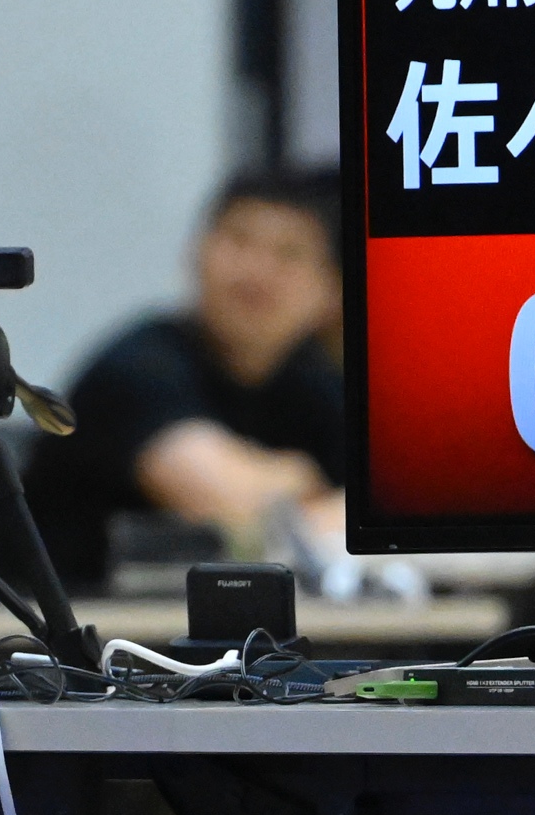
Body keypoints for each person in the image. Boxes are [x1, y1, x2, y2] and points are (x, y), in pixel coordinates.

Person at [26, 169, 344, 588]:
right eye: (239, 241)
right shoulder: (138, 366)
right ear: (196, 252)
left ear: (332, 292)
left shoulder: (314, 381)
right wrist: (301, 479)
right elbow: (229, 502)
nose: (256, 271)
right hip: (61, 617)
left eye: (289, 254)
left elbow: (382, 509)